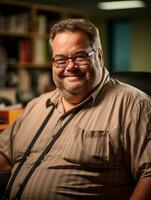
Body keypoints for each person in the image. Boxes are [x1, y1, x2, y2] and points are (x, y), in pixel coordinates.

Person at [0, 18, 151, 200]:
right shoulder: (36, 105)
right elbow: (5, 154)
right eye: (61, 60)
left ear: (100, 57)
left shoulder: (133, 105)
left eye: (80, 56)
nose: (70, 67)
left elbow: (148, 174)